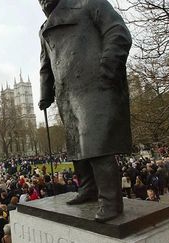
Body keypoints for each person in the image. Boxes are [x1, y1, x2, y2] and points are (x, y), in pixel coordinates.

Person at [37, 0, 132, 222]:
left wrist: (108, 66)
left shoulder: (89, 3)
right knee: (76, 147)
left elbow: (118, 32)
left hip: (95, 85)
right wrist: (45, 93)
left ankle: (111, 201)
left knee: (97, 145)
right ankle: (88, 189)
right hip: (66, 92)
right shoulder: (43, 28)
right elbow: (46, 63)